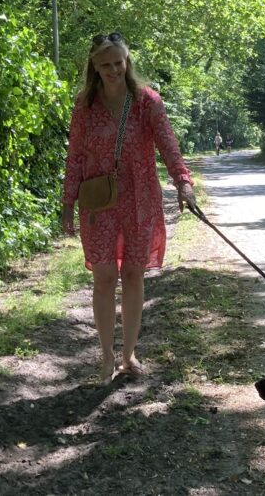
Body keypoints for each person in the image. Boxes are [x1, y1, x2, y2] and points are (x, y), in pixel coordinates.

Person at [62, 32, 196, 384]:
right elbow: (74, 155)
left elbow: (167, 143)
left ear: (127, 61)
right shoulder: (84, 106)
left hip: (140, 200)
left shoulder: (147, 102)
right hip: (98, 202)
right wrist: (67, 202)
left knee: (133, 274)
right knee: (105, 277)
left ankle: (128, 354)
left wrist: (183, 182)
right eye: (105, 64)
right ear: (93, 66)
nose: (113, 70)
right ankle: (106, 357)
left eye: (118, 63)